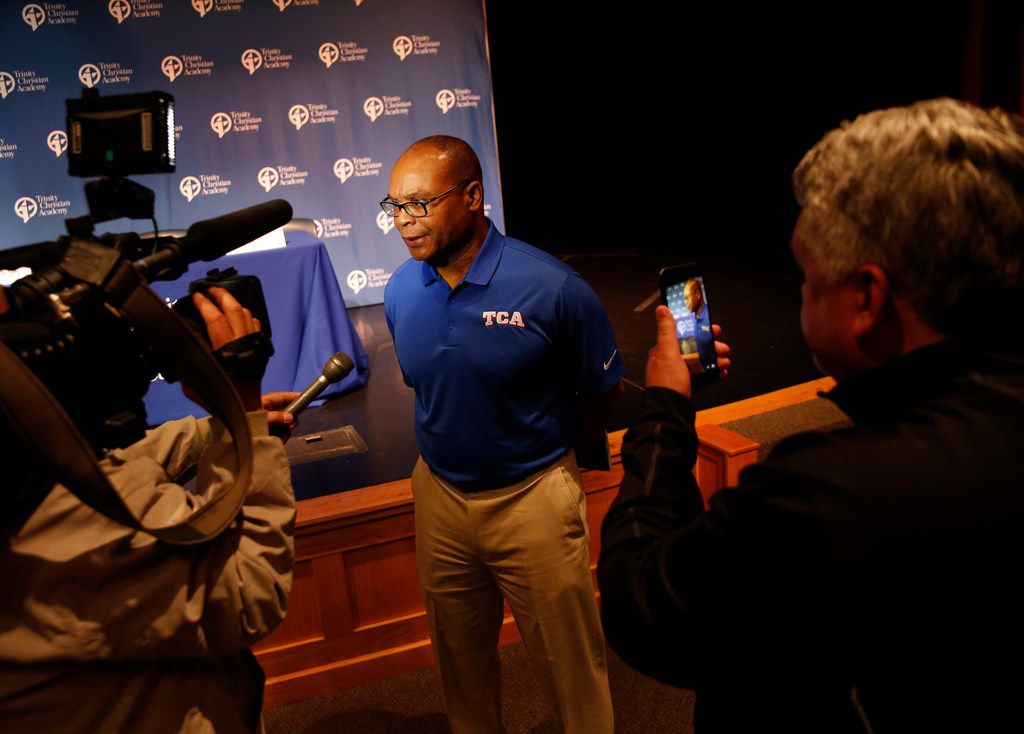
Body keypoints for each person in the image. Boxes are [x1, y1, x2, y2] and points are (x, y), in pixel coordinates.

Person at [598, 97, 1024, 733]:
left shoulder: (822, 498)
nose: (801, 296)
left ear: (866, 300)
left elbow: (643, 604)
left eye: (807, 278)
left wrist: (663, 408)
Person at [382, 135, 623, 733]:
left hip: (532, 498)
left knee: (571, 672)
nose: (404, 223)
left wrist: (543, 459)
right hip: (440, 500)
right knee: (460, 668)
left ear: (472, 196)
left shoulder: (555, 289)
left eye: (419, 204)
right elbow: (428, 386)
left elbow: (601, 395)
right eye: (394, 207)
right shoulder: (399, 289)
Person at [0, 286, 299, 732]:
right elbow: (248, 591)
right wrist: (243, 415)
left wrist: (213, 432)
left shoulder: (22, 466)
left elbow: (84, 468)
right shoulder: (54, 516)